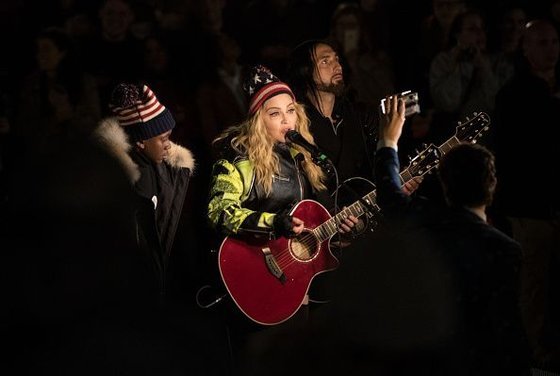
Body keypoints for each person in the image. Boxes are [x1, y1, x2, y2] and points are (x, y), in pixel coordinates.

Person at [342, 95, 530, 374]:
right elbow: (510, 327)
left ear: (444, 183)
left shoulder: (424, 227)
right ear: (493, 185)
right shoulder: (508, 250)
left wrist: (389, 141)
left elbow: (389, 192)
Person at [206, 64, 358, 375]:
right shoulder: (239, 160)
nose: (286, 119)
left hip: (297, 289)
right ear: (258, 119)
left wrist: (341, 231)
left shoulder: (303, 159)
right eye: (275, 113)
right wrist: (274, 222)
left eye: (290, 110)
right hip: (258, 281)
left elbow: (316, 226)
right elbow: (218, 211)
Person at [492, 19, 560, 370]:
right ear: (526, 48)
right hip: (531, 204)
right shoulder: (515, 94)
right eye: (542, 43)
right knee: (533, 283)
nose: (550, 49)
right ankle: (534, 352)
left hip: (549, 200)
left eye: (554, 42)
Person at [94, 82, 195, 301]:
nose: (169, 145)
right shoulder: (125, 184)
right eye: (163, 139)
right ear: (140, 142)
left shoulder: (168, 170)